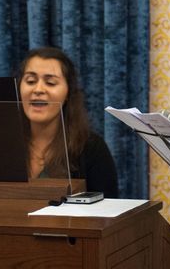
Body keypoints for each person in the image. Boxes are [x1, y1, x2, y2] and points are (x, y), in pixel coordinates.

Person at [17, 46, 119, 198]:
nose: (38, 89)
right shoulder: (0, 142)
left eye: (50, 83)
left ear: (67, 93)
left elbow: (108, 214)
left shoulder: (91, 148)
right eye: (30, 81)